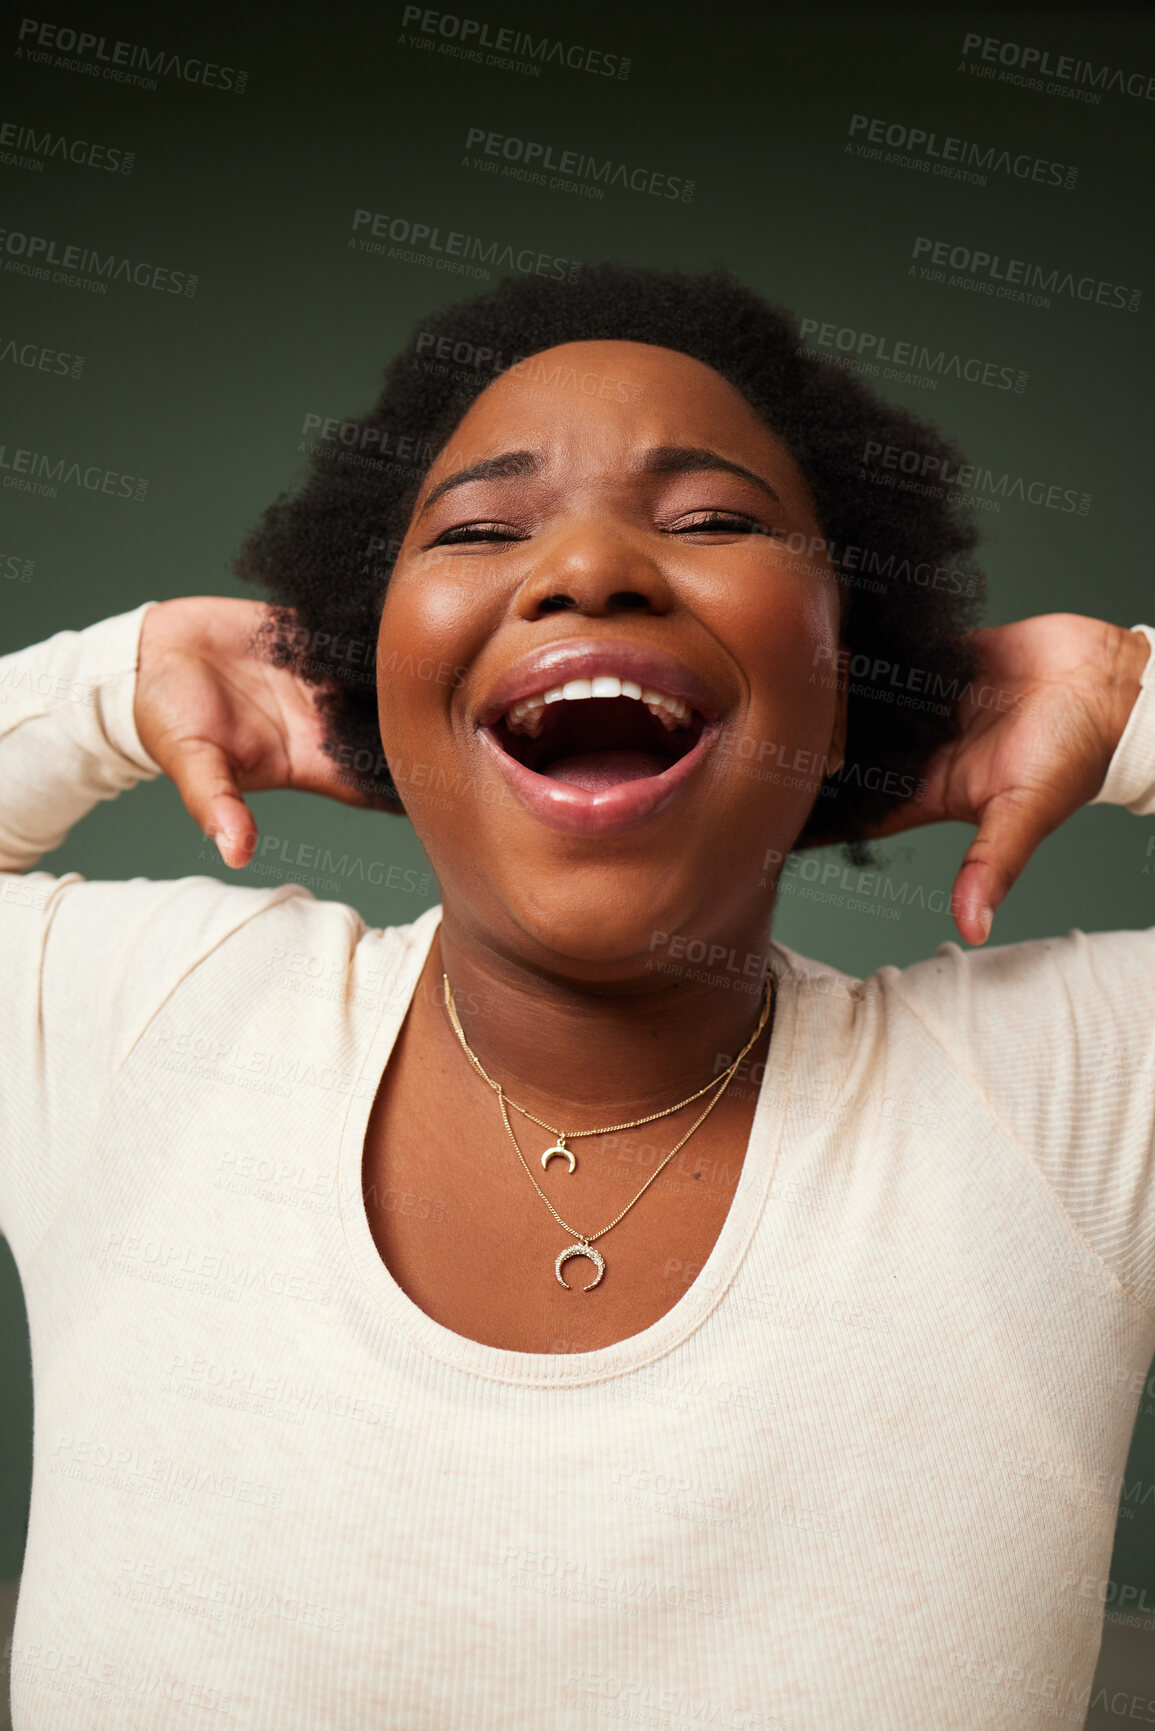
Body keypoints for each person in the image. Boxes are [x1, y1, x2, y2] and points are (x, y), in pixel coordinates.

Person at [1, 265, 1152, 1729]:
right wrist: (115, 682)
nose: (589, 570)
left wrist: (1118, 698)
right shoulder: (146, 1032)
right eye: (481, 530)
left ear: (849, 667)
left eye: (714, 521)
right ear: (375, 665)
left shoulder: (1071, 1110)